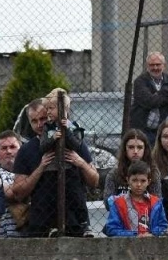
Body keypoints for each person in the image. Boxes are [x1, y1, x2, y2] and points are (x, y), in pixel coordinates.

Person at [9, 91, 100, 236]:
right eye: (34, 120)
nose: (39, 124)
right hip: (42, 219)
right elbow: (18, 192)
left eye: (43, 118)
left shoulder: (73, 141)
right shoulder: (26, 150)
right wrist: (41, 168)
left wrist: (81, 162)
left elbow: (94, 181)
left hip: (74, 217)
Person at [129, 52, 168, 143]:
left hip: (164, 130)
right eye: (152, 65)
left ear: (164, 65)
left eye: (158, 64)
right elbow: (149, 102)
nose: (155, 68)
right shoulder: (140, 81)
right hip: (143, 131)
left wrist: (155, 95)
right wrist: (164, 95)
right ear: (147, 66)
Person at [103, 161, 162, 237]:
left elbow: (162, 225)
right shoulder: (118, 203)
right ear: (128, 180)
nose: (138, 184)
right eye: (134, 180)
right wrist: (134, 235)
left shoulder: (156, 202)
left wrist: (152, 234)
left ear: (148, 182)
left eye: (143, 181)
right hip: (127, 245)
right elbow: (112, 229)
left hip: (152, 244)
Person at [105, 129, 156, 196]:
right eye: (131, 147)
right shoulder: (114, 174)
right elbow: (108, 201)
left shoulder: (153, 172)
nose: (135, 151)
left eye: (139, 147)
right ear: (125, 149)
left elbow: (157, 201)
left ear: (145, 149)